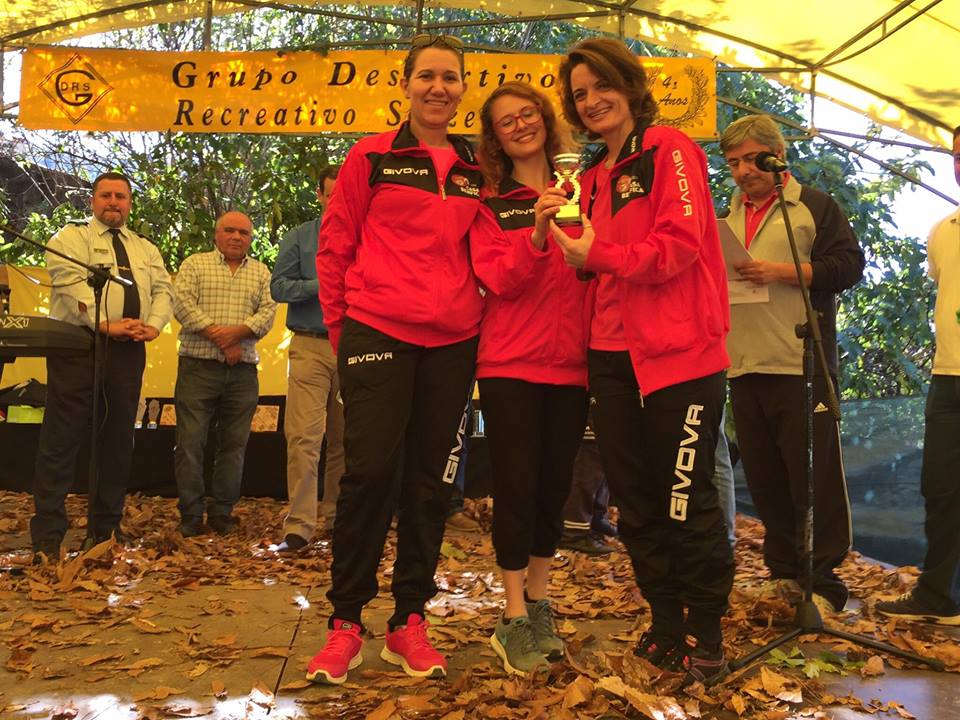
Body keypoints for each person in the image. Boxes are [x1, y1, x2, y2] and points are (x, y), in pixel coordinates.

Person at [551, 38, 735, 687]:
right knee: (634, 501)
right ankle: (665, 624)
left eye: (602, 85)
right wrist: (567, 243)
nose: (592, 100)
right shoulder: (591, 175)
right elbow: (589, 264)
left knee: (685, 497)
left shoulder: (669, 149)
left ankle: (706, 633)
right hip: (610, 356)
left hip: (681, 355)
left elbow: (680, 245)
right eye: (579, 93)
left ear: (629, 85)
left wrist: (598, 255)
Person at [306, 34, 482, 685]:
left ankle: (409, 621)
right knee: (370, 474)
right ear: (406, 85)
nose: (438, 87)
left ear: (462, 89)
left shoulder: (476, 166)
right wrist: (343, 331)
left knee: (431, 485)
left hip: (454, 342)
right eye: (427, 76)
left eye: (450, 77)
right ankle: (345, 623)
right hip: (376, 329)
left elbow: (494, 249)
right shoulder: (372, 154)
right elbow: (335, 246)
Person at [720, 114, 864, 616]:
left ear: (776, 155)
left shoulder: (814, 206)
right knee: (766, 477)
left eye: (751, 159)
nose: (742, 171)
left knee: (813, 477)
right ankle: (783, 573)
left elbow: (848, 266)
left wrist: (779, 271)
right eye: (733, 163)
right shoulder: (728, 215)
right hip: (744, 362)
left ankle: (824, 584)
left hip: (800, 362)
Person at [470, 81, 592, 675]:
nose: (520, 125)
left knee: (553, 489)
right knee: (517, 487)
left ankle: (540, 602)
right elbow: (498, 280)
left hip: (573, 364)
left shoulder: (585, 190)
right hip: (509, 364)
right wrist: (539, 234)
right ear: (495, 139)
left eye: (527, 114)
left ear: (545, 119)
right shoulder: (490, 205)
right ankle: (513, 614)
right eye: (506, 122)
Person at [30, 171, 173, 560]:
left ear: (130, 203)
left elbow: (163, 290)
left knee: (117, 441)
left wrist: (153, 325)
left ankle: (104, 531)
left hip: (128, 350)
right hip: (77, 346)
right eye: (106, 195)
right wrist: (104, 323)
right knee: (61, 441)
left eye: (121, 197)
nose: (113, 202)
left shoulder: (144, 248)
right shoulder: (70, 238)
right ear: (92, 200)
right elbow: (70, 284)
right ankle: (47, 538)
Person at [876, 125, 960, 626]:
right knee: (941, 490)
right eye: (957, 155)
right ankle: (938, 597)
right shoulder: (942, 231)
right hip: (947, 377)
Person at [172, 211, 277, 538]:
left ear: (251, 239)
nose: (236, 237)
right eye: (229, 230)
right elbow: (182, 305)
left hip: (242, 372)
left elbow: (268, 314)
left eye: (243, 233)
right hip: (198, 367)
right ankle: (191, 515)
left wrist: (236, 336)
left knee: (234, 445)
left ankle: (222, 513)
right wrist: (223, 338)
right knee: (190, 443)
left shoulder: (261, 272)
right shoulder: (194, 264)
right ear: (216, 235)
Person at [270, 166, 346, 554]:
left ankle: (337, 517)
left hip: (354, 347)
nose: (338, 201)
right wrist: (323, 283)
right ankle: (299, 525)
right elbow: (278, 287)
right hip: (310, 345)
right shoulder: (299, 237)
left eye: (343, 194)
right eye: (331, 194)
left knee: (346, 440)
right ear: (319, 195)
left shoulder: (367, 235)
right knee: (304, 438)